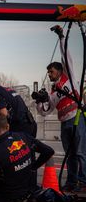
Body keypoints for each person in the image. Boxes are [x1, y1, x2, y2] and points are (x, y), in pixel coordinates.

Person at [33, 26, 86, 192]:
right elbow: (45, 111)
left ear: (60, 71)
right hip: (65, 124)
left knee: (80, 153)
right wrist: (39, 102)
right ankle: (72, 183)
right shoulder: (53, 91)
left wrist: (62, 37)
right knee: (69, 155)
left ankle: (83, 182)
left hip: (77, 119)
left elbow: (66, 57)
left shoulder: (68, 78)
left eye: (51, 72)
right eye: (48, 73)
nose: (49, 75)